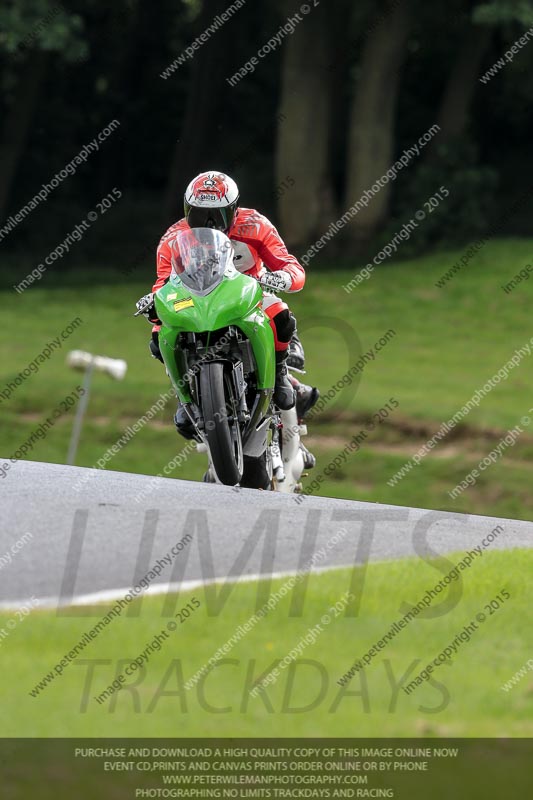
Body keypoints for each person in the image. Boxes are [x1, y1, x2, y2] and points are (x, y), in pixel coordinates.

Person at [136, 170, 318, 442]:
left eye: (217, 215)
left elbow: (290, 265)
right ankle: (185, 393)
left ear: (233, 210)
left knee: (281, 316)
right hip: (193, 299)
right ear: (187, 210)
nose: (208, 223)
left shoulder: (256, 225)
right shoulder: (173, 238)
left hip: (247, 294)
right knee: (158, 334)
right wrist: (154, 303)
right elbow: (162, 284)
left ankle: (279, 375)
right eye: (199, 214)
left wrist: (282, 277)